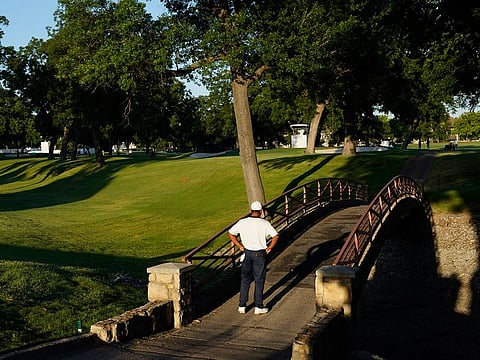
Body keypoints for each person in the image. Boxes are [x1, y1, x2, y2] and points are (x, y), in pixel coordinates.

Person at [228, 201, 279, 314]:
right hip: (260, 254)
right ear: (261, 211)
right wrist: (269, 248)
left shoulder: (242, 222)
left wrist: (240, 246)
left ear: (250, 210)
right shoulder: (264, 223)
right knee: (259, 280)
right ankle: (258, 306)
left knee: (245, 279)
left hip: (247, 253)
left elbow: (231, 233)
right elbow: (275, 236)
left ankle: (242, 305)